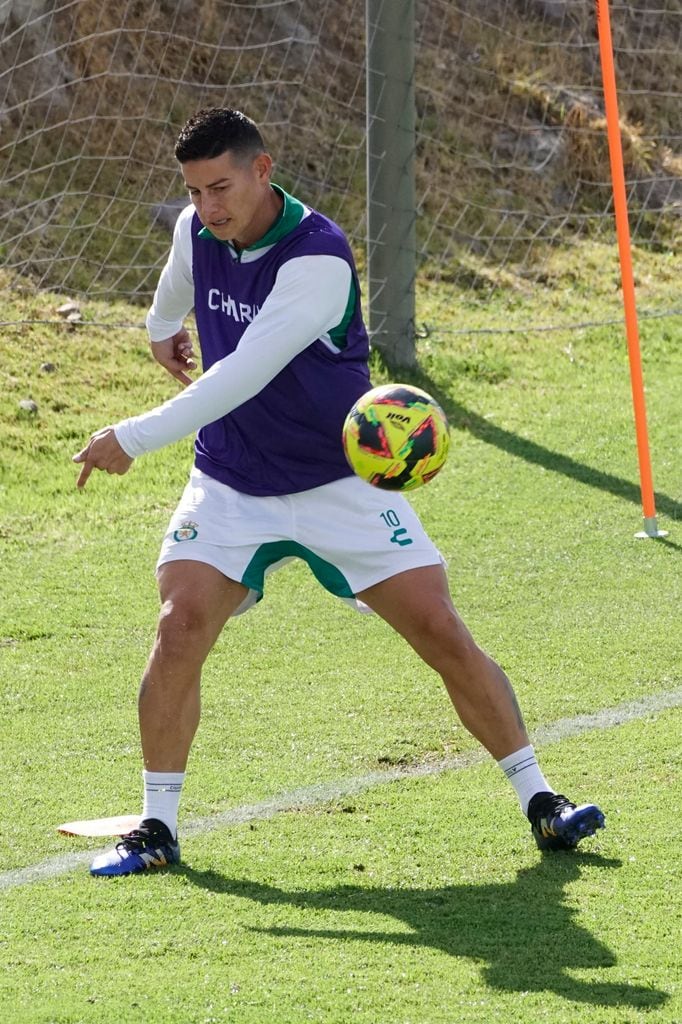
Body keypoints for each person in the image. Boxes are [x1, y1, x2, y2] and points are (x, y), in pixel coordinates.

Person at [73, 108, 604, 877]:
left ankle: (543, 801)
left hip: (338, 483)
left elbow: (241, 374)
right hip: (230, 481)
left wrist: (132, 436)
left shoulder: (317, 259)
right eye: (193, 191)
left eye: (220, 186)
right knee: (179, 625)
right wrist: (162, 327)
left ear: (263, 170)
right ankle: (156, 829)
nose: (208, 207)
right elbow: (176, 277)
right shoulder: (199, 231)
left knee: (439, 630)